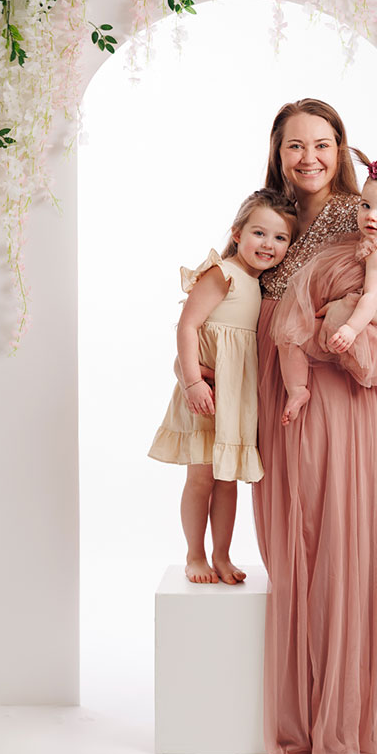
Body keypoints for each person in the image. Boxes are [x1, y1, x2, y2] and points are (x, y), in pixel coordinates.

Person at [254, 99, 377, 754]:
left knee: (339, 534)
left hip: (337, 389)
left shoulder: (370, 217)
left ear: (341, 147)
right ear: (277, 151)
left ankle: (347, 708)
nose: (309, 158)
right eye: (295, 145)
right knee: (290, 536)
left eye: (322, 144)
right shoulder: (263, 214)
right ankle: (300, 701)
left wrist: (346, 318)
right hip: (280, 388)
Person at [149, 190, 296, 585]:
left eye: (280, 238)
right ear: (236, 232)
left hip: (236, 397)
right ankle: (194, 554)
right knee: (201, 477)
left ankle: (222, 554)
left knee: (227, 479)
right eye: (260, 233)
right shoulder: (223, 273)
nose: (269, 244)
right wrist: (193, 381)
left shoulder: (259, 284)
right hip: (207, 394)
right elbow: (188, 325)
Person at [271, 156, 377, 431]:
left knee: (292, 334)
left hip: (359, 317)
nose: (371, 215)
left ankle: (298, 388)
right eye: (366, 205)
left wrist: (351, 329)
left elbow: (371, 297)